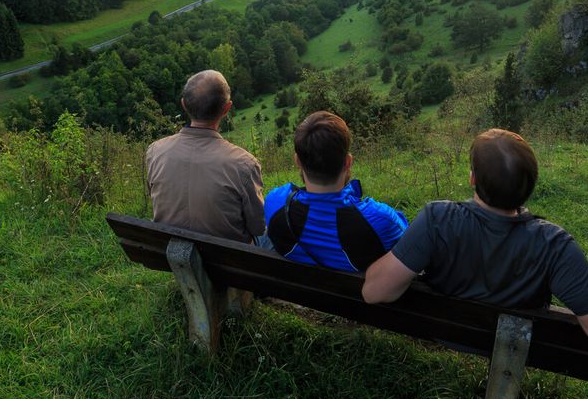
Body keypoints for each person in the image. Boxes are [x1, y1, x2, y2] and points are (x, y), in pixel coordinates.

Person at [362, 128, 588, 355]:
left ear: (472, 179)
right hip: (513, 349)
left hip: (445, 334)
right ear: (531, 185)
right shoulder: (555, 246)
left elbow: (373, 292)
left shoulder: (437, 219)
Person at [263, 110, 408, 272]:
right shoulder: (381, 220)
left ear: (297, 161)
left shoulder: (275, 203)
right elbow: (409, 246)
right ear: (348, 162)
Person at [145, 69, 265, 244]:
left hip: (173, 253)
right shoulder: (243, 164)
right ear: (227, 108)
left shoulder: (155, 151)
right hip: (232, 262)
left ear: (184, 105)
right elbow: (258, 227)